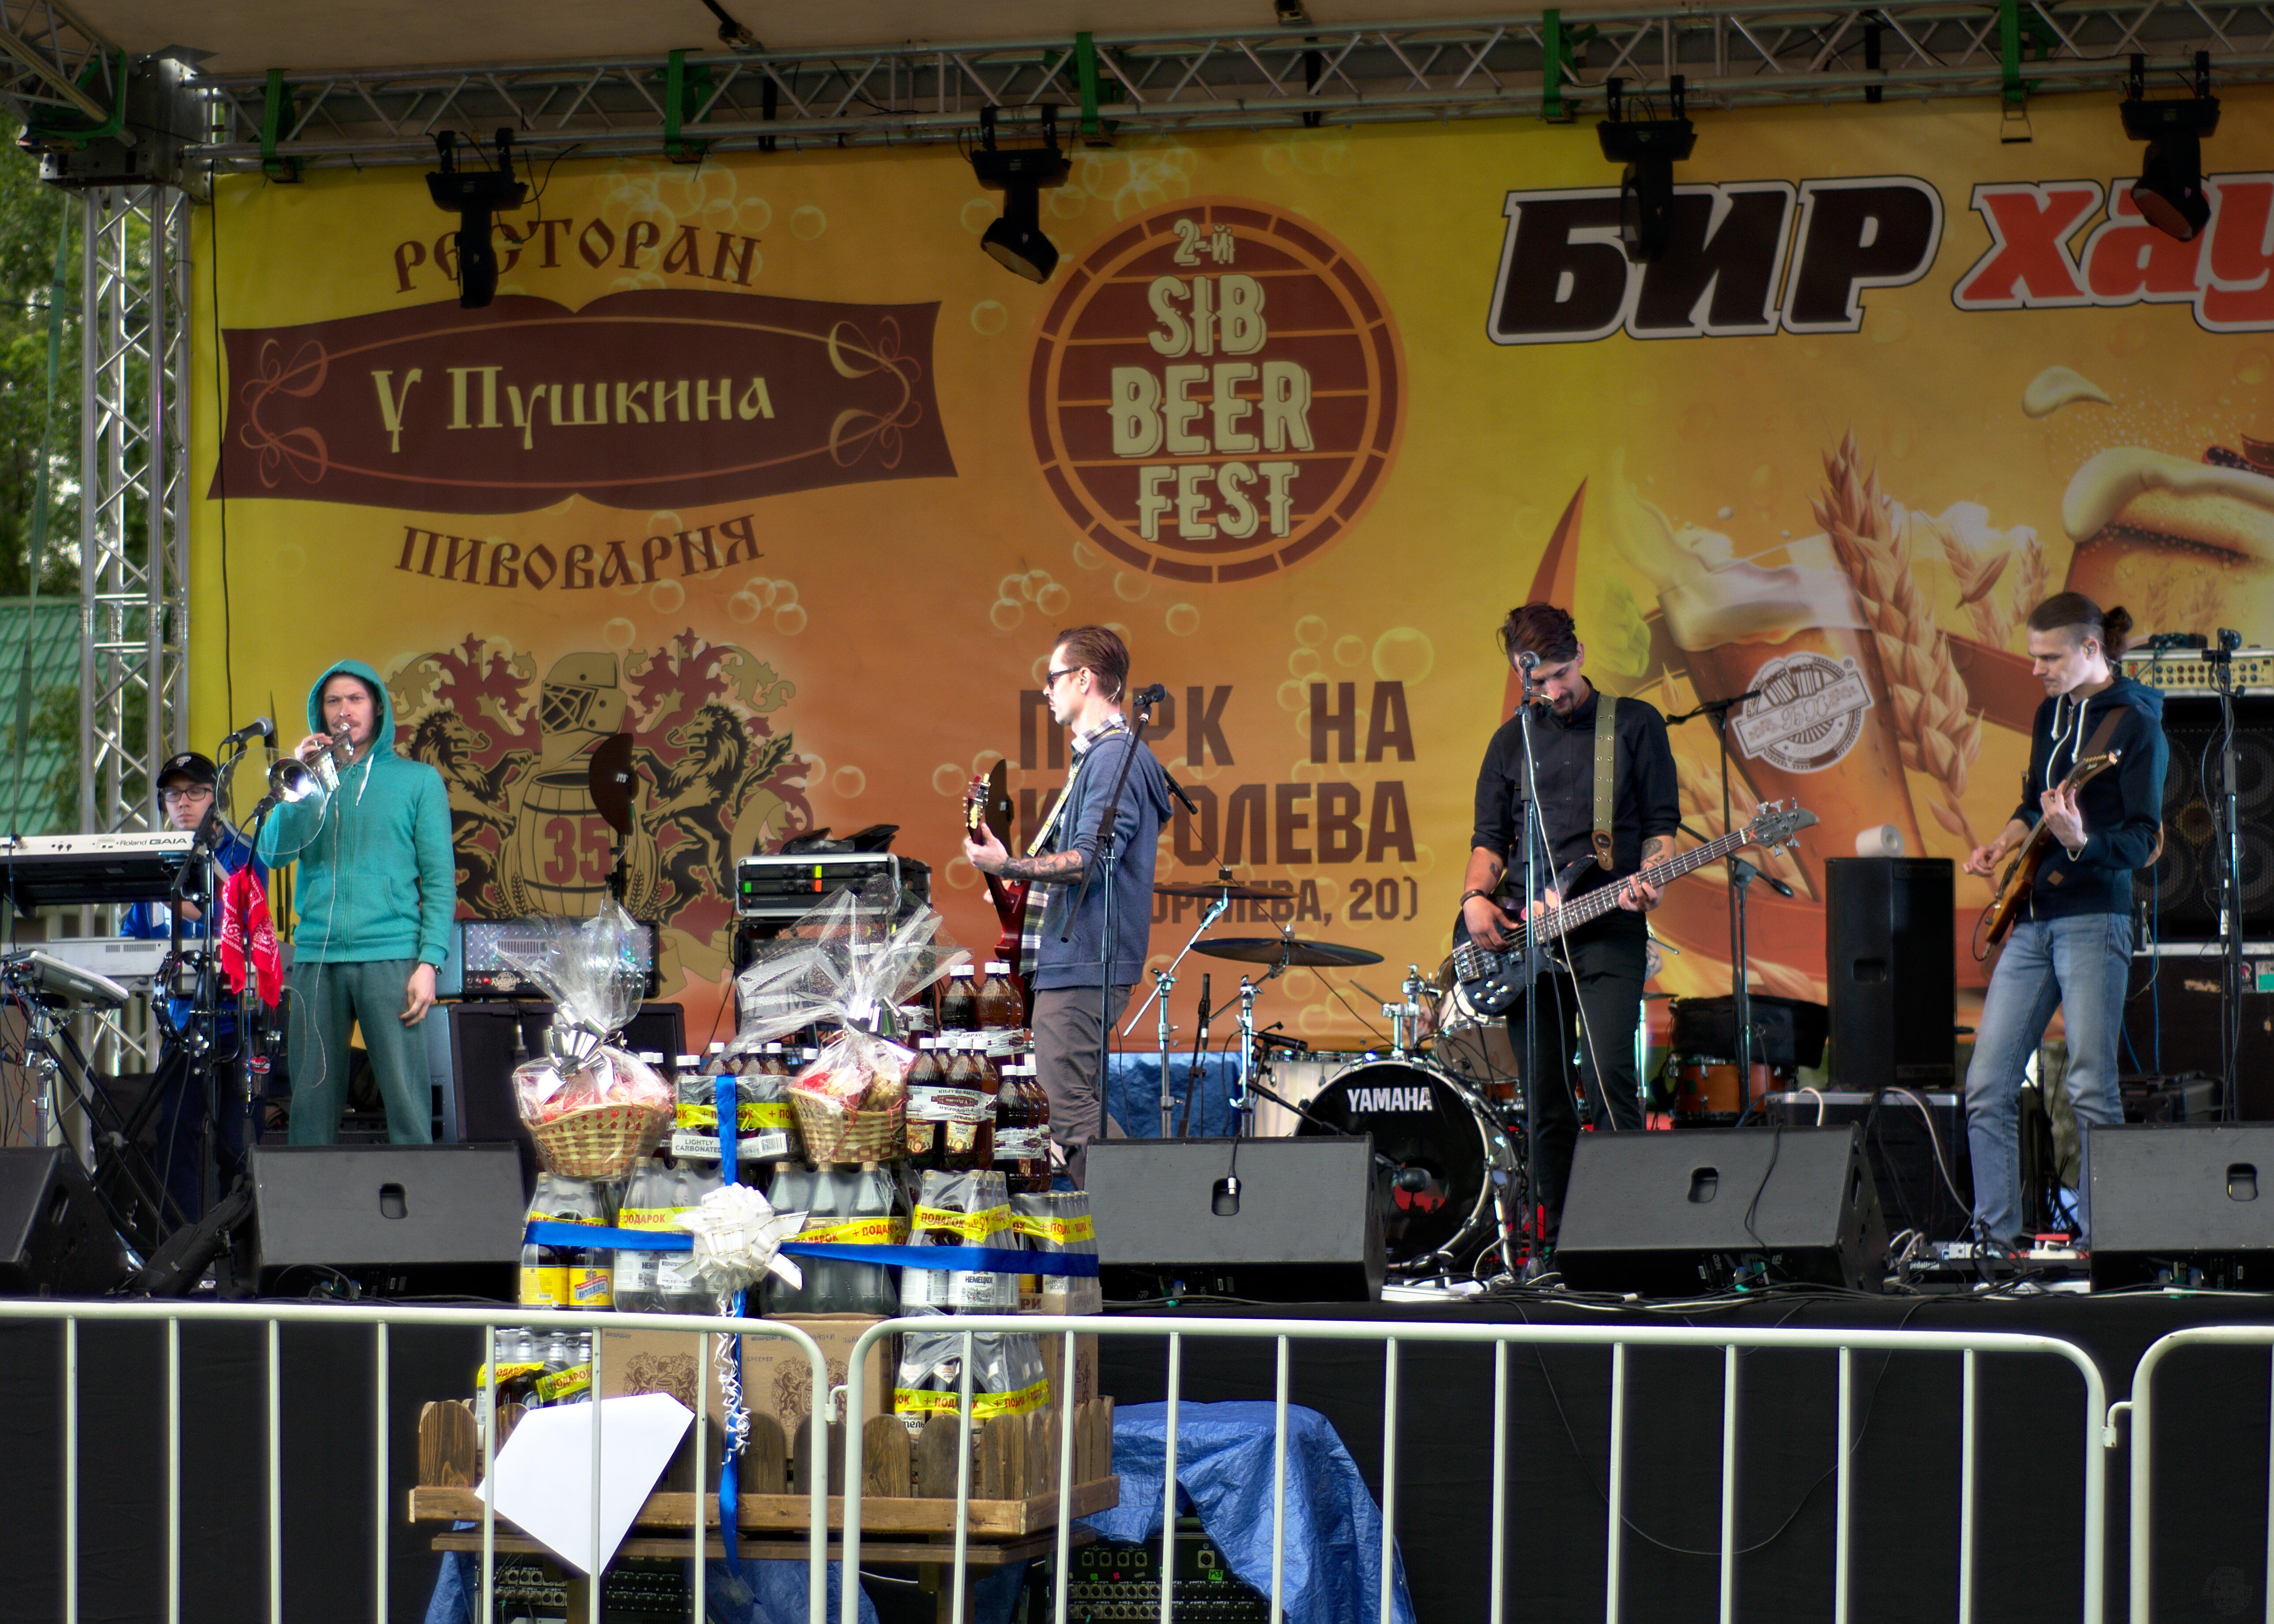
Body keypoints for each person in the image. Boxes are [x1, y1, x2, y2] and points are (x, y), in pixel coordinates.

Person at [1460, 603, 1680, 1256]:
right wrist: (1474, 899)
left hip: (1607, 924)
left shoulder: (1633, 724)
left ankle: (1626, 1241)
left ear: (1580, 655)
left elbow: (1660, 827)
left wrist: (1653, 877)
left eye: (1559, 674)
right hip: (1528, 939)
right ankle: (1554, 1248)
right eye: (1537, 681)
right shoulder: (1510, 742)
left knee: (1611, 1077)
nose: (1551, 690)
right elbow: (1488, 839)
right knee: (1545, 1098)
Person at [1961, 594, 2165, 1252]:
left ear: (2089, 649)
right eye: (2032, 656)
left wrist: (2081, 841)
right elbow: (2034, 802)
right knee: (1986, 1085)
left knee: (2089, 1087)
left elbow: (2143, 840)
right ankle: (1994, 1243)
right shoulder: (2051, 711)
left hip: (2093, 917)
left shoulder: (2137, 725)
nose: (2036, 669)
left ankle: (2106, 1244)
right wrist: (2004, 841)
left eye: (2048, 657)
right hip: (2033, 913)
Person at [963, 625, 1169, 1186]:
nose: (1046, 690)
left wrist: (1009, 866)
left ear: (1084, 679)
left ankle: (1146, 1221)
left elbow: (1087, 862)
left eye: (1052, 678)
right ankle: (1129, 1227)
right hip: (1077, 960)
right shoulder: (1102, 758)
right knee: (1076, 1104)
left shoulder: (1113, 757)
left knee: (1066, 1107)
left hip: (1082, 963)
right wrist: (1019, 883)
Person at [257, 661, 455, 1145]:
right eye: (333, 701)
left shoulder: (418, 781)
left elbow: (439, 879)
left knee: (406, 1103)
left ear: (378, 708)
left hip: (391, 954)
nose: (344, 710)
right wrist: (302, 786)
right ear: (320, 713)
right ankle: (312, 1194)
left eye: (355, 699)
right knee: (310, 1103)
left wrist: (430, 961)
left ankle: (418, 1192)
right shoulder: (309, 781)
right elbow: (273, 854)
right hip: (317, 957)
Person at [120, 751, 267, 1217]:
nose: (183, 802)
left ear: (216, 798)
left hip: (238, 1024)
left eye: (196, 792)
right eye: (173, 794)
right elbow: (130, 941)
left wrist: (187, 907)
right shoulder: (154, 860)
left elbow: (247, 928)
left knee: (237, 1145)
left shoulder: (242, 854)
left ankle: (242, 1246)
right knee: (174, 1134)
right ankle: (181, 1245)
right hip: (182, 1029)